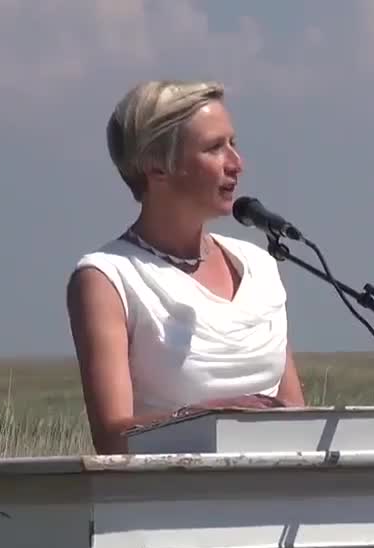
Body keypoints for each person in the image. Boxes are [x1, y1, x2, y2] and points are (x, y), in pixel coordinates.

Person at [67, 80, 306, 454]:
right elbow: (112, 439)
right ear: (157, 167)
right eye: (214, 148)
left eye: (233, 144)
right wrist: (210, 419)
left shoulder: (259, 265)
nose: (236, 164)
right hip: (172, 488)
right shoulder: (107, 279)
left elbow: (298, 416)